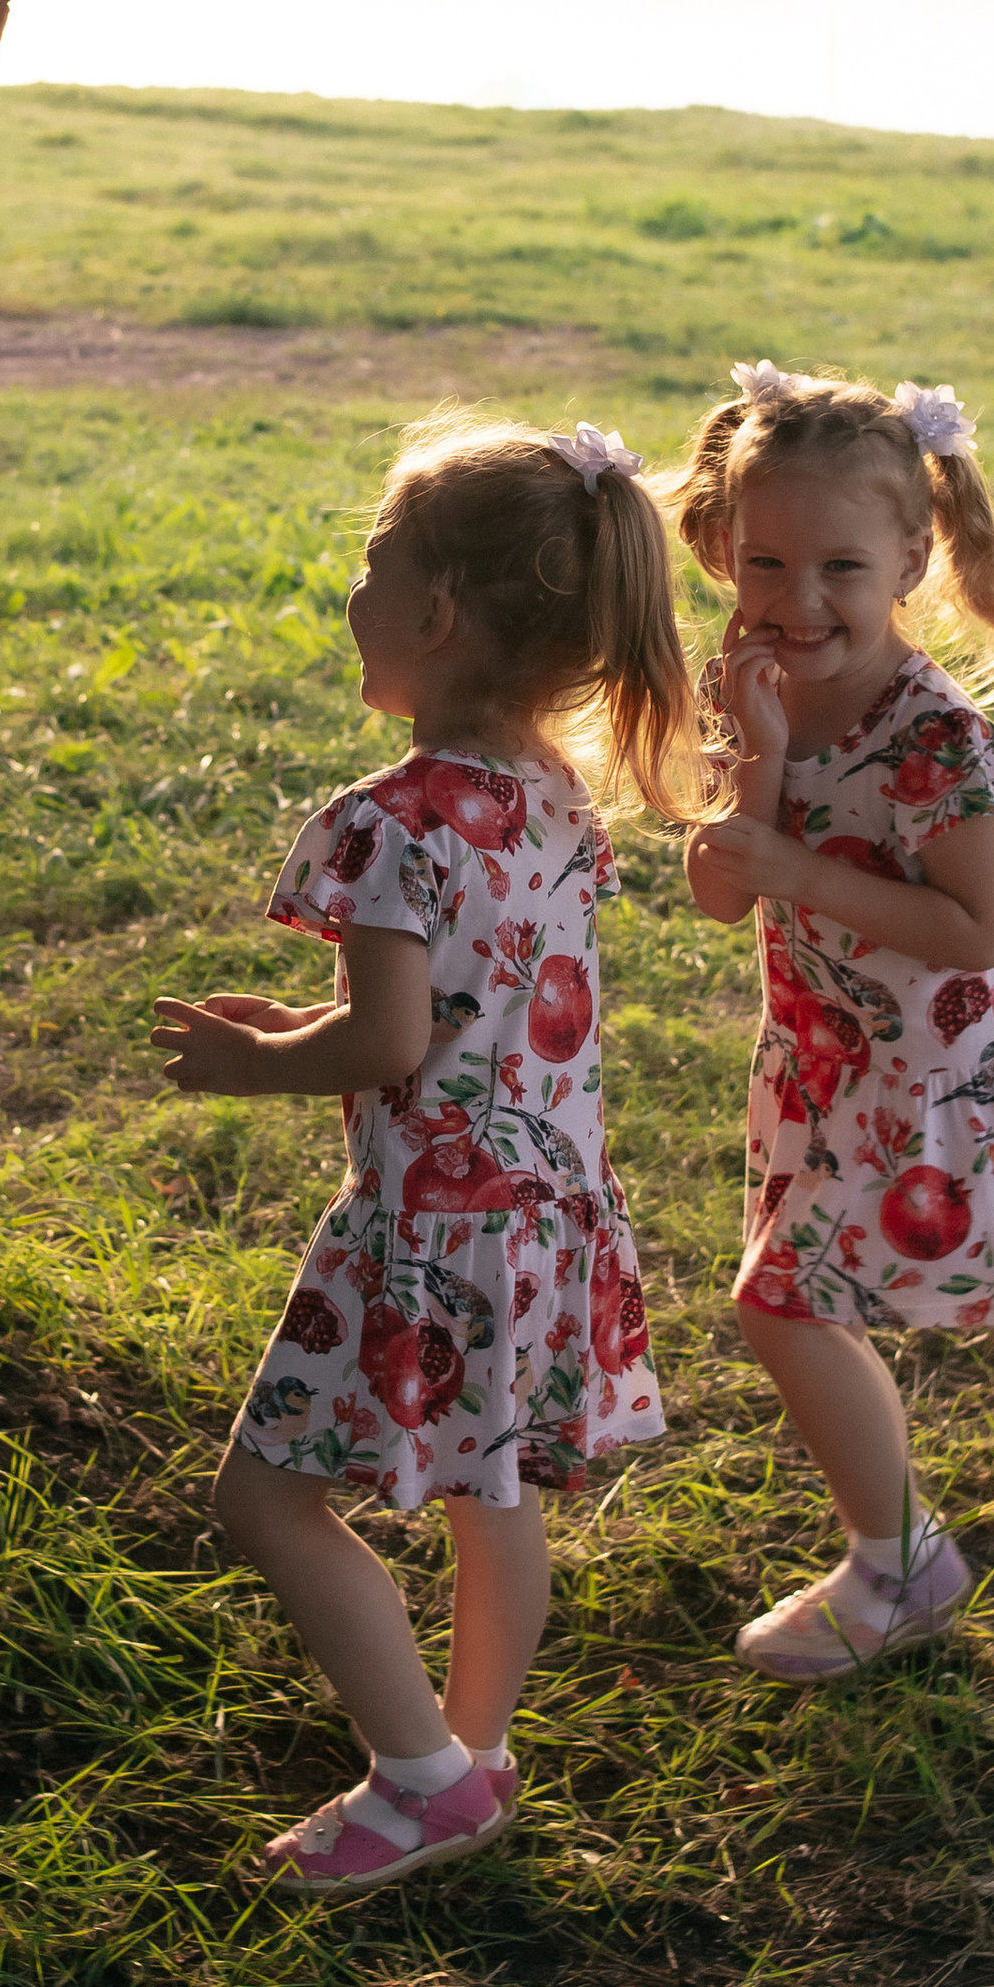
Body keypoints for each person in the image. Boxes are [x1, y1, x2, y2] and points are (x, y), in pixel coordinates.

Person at [156, 411, 702, 1899]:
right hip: (542, 1217)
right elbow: (466, 1000)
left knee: (262, 1499)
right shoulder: (552, 793)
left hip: (427, 1227)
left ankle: (418, 1778)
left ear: (438, 614)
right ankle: (474, 1752)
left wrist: (256, 1058)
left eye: (370, 566)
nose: (353, 596)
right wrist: (321, 1016)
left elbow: (392, 1045)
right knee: (492, 1489)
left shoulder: (388, 823)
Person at [675, 359, 994, 1683]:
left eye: (839, 566)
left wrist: (800, 874)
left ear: (910, 554)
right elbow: (722, 888)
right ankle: (897, 1554)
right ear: (721, 545)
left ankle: (902, 1567)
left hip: (936, 1061)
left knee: (779, 1305)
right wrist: (759, 761)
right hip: (834, 1050)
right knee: (792, 1295)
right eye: (766, 561)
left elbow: (977, 932)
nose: (798, 599)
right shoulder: (752, 681)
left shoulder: (935, 738)